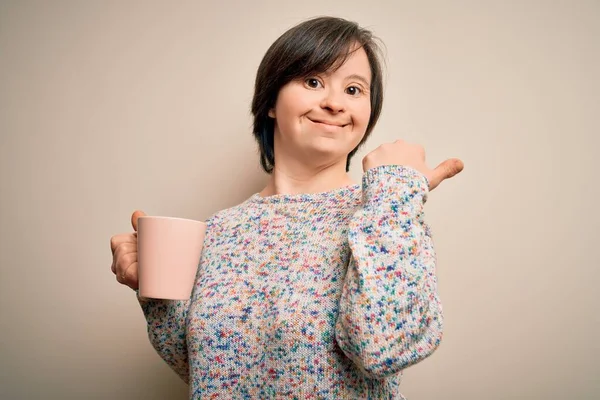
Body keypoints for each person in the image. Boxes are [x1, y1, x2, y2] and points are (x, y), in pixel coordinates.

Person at [110, 16, 463, 399]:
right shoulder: (219, 230)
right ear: (271, 102)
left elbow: (385, 349)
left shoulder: (383, 218)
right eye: (313, 82)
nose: (333, 103)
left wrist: (395, 195)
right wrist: (156, 292)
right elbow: (208, 374)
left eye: (354, 89)